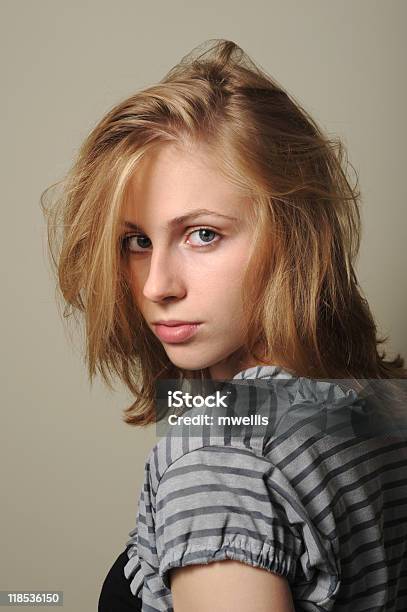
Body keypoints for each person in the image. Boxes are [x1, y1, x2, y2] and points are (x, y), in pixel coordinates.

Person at [41, 39, 407, 611]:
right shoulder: (384, 405)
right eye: (137, 241)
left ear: (294, 234)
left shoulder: (221, 459)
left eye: (203, 234)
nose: (157, 284)